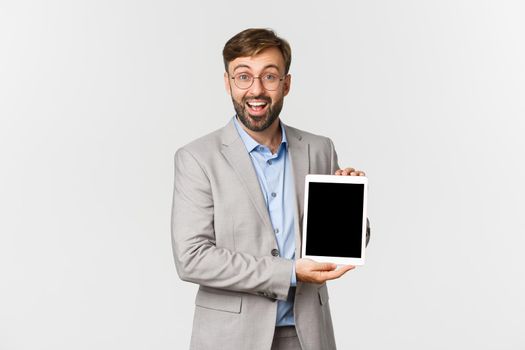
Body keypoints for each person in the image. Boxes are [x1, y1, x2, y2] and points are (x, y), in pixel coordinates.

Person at [171, 28, 370, 350]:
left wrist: (349, 207)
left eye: (270, 76)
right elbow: (193, 258)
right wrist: (290, 271)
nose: (257, 90)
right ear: (228, 83)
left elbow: (343, 243)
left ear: (286, 84)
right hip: (230, 337)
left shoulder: (319, 148)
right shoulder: (197, 158)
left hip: (308, 334)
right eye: (244, 77)